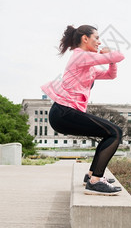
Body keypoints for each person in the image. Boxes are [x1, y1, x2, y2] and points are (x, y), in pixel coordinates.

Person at [41, 25, 125, 195]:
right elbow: (120, 55)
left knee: (109, 133)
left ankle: (92, 175)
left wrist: (110, 60)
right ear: (85, 39)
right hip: (64, 112)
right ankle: (95, 182)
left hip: (66, 113)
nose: (99, 42)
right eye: (96, 38)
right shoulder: (80, 56)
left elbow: (111, 75)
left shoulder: (89, 65)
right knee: (115, 132)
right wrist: (108, 53)